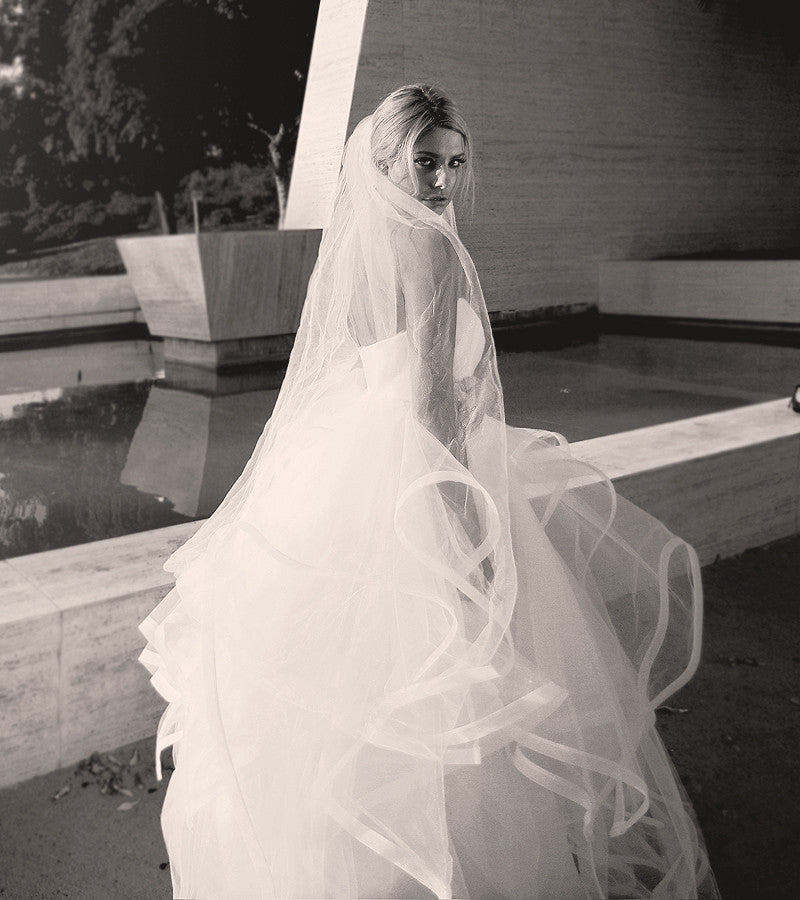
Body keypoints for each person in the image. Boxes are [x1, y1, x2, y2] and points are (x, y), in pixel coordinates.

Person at [137, 84, 719, 899]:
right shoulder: (433, 249)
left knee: (357, 698)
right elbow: (434, 404)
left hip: (355, 466)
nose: (444, 180)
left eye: (455, 163)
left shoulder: (364, 248)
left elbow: (360, 376)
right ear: (386, 161)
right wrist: (466, 533)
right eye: (427, 161)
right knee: (451, 690)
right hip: (426, 474)